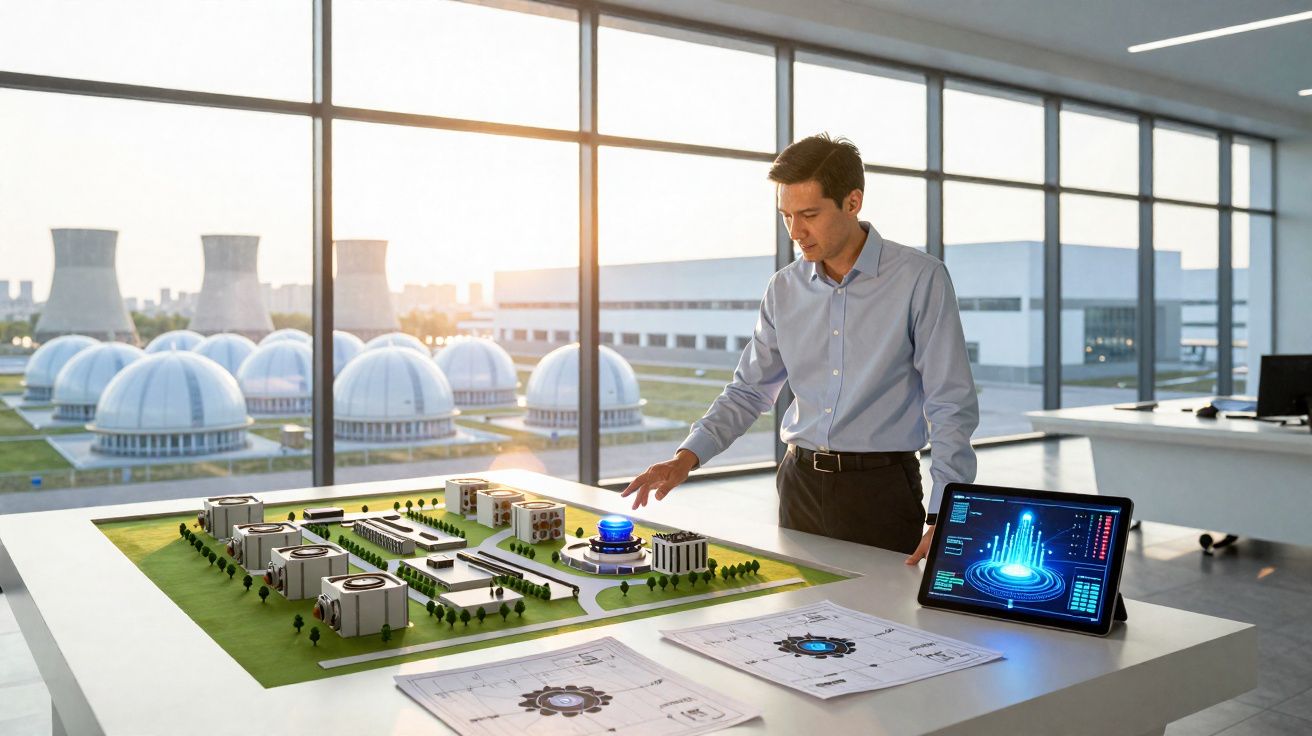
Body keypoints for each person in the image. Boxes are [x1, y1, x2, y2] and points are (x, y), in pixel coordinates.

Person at [620, 134, 978, 564]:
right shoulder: (784, 288)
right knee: (798, 620)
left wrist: (949, 513)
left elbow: (950, 404)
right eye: (786, 216)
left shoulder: (920, 279)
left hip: (882, 489)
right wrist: (685, 457)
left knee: (884, 625)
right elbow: (749, 391)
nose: (795, 232)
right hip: (798, 484)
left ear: (852, 201)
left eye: (809, 214)